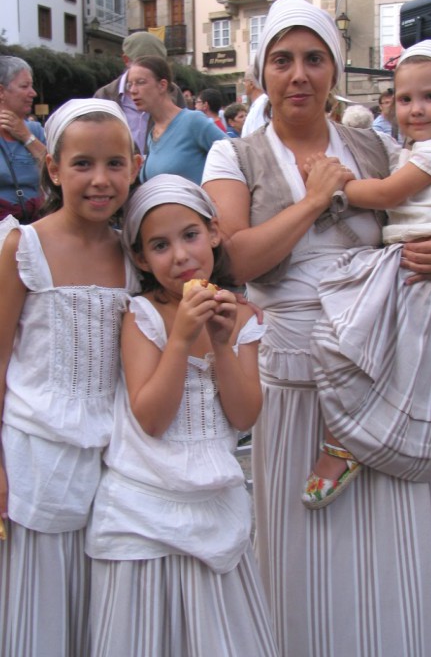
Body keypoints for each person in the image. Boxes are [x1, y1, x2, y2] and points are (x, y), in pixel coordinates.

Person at [202, 0, 431, 657]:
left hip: (388, 368)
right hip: (297, 379)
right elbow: (236, 258)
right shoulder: (232, 157)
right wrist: (315, 199)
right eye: (282, 60)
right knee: (306, 547)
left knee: (399, 540)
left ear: (332, 70)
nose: (298, 74)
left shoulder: (378, 148)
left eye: (313, 59)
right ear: (258, 75)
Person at [85, 174, 279, 657]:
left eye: (190, 235)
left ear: (213, 232)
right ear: (140, 258)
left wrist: (220, 342)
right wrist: (179, 339)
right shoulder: (141, 315)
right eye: (160, 245)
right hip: (143, 514)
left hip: (215, 513)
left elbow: (244, 414)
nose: (180, 256)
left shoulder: (245, 317)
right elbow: (151, 418)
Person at [304, 39, 431, 507]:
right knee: (372, 352)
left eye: (430, 97)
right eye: (405, 99)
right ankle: (356, 438)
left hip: (414, 272)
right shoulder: (427, 148)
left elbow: (386, 194)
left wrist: (335, 183)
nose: (415, 110)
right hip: (408, 267)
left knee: (352, 346)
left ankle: (350, 443)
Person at [0, 98, 141, 657]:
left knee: (95, 616)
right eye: (82, 164)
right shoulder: (23, 246)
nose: (100, 180)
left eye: (114, 164)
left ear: (134, 165)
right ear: (54, 169)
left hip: (112, 465)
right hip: (37, 461)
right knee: (40, 614)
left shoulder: (134, 254)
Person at [128, 56, 226, 186]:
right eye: (130, 84)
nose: (133, 90)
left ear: (162, 85)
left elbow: (235, 157)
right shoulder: (153, 133)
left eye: (140, 82)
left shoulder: (193, 121)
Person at [94, 31, 185, 154]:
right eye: (144, 64)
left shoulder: (172, 91)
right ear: (126, 60)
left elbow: (186, 134)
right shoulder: (104, 96)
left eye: (156, 64)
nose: (151, 69)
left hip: (164, 170)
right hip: (122, 170)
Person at [0, 56, 46, 222]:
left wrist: (27, 137)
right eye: (24, 86)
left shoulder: (35, 131)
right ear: (1, 92)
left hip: (34, 228)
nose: (33, 93)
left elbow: (57, 170)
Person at [241, 66, 268, 137]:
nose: (244, 85)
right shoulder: (260, 104)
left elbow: (258, 138)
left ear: (251, 84)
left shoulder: (261, 105)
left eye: (244, 81)